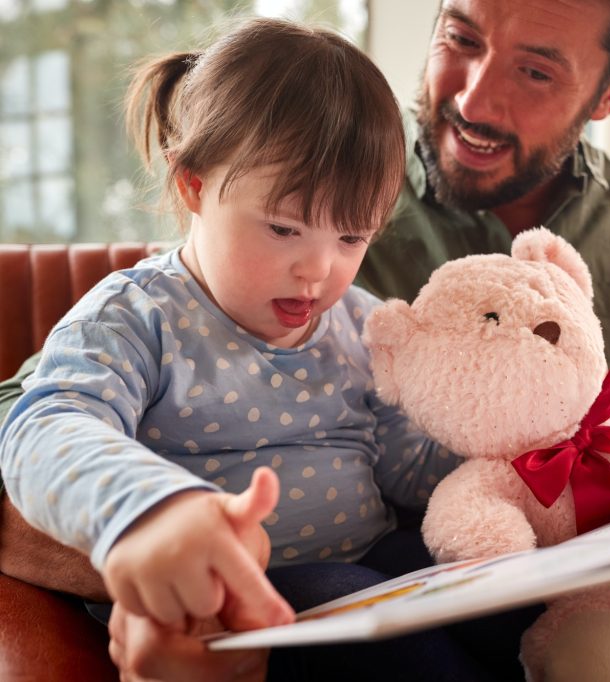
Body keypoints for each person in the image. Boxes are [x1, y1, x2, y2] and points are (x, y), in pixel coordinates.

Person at [0, 0, 610, 680]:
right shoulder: (308, 165)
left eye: (536, 69)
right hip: (328, 597)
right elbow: (38, 423)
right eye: (461, 37)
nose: (474, 94)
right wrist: (149, 525)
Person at [0, 16, 507, 682]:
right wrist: (148, 510)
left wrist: (521, 457)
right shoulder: (134, 318)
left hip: (380, 564)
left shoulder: (362, 325)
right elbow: (43, 428)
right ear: (195, 186)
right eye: (282, 228)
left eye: (351, 238)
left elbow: (410, 468)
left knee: (498, 596)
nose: (317, 271)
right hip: (258, 599)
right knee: (366, 622)